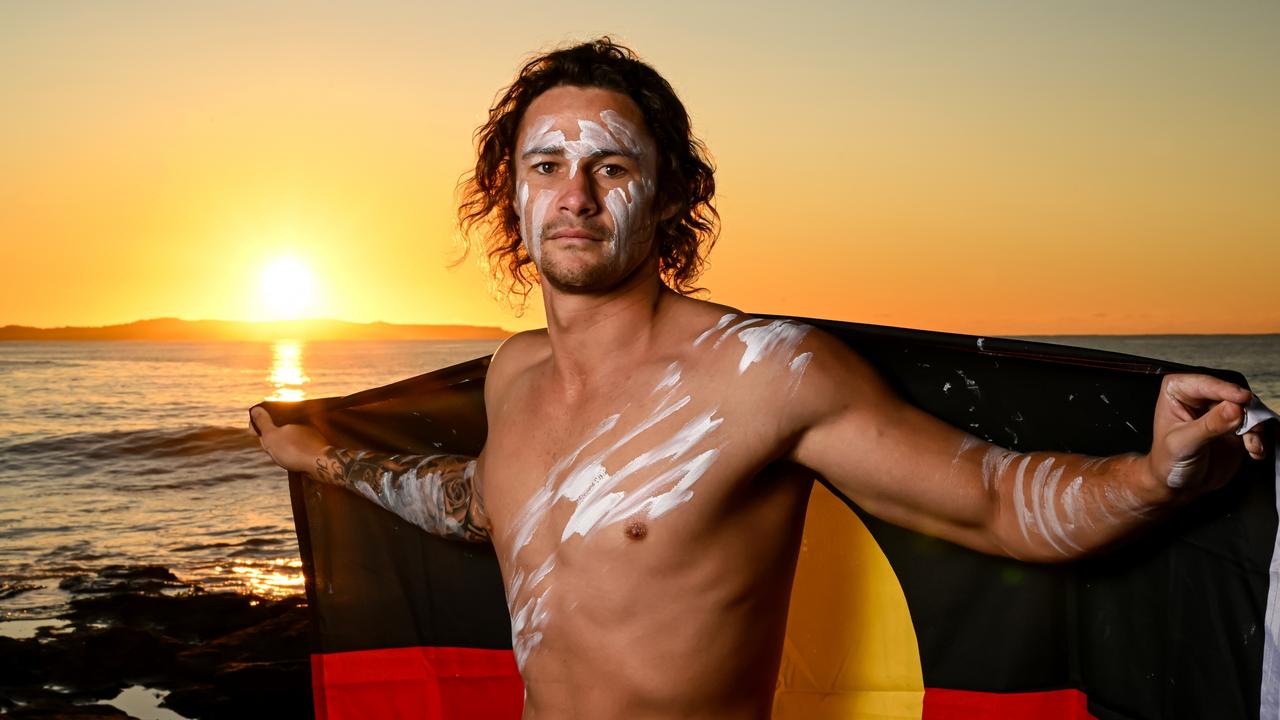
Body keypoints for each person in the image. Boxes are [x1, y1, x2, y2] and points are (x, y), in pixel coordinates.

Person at [251, 38, 1269, 719]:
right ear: (506, 195)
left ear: (666, 197)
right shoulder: (515, 376)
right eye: (544, 165)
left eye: (609, 165)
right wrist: (322, 454)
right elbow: (475, 502)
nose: (575, 194)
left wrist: (1155, 473)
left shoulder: (757, 373)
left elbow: (993, 502)